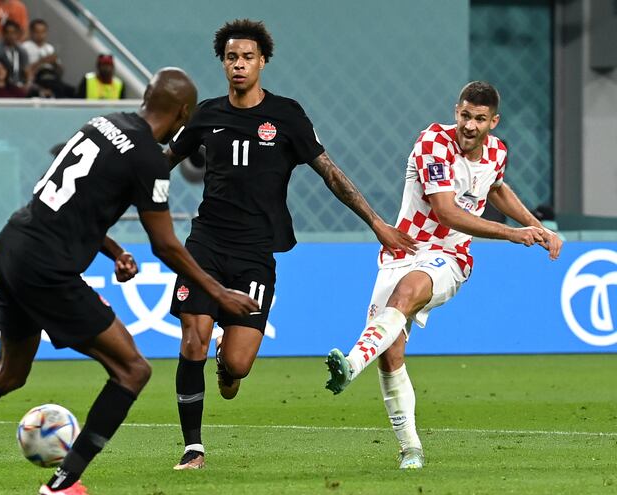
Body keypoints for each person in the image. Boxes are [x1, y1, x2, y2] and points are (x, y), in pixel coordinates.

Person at [0, 67, 259, 495]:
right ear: (184, 113)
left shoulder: (102, 124)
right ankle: (62, 485)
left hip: (13, 243)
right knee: (133, 369)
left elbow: (64, 198)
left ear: (146, 95)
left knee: (8, 373)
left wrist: (111, 252)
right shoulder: (149, 157)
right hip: (45, 266)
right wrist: (218, 292)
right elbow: (166, 244)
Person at [164, 19, 417, 470]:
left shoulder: (286, 116)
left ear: (262, 62)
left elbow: (331, 175)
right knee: (192, 340)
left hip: (255, 254)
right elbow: (162, 162)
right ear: (223, 63)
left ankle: (227, 363)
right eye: (231, 58)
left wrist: (377, 223)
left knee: (237, 366)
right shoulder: (206, 115)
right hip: (204, 245)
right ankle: (193, 448)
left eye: (247, 57)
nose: (238, 65)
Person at [323, 81, 563, 470]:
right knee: (391, 355)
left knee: (406, 294)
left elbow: (497, 188)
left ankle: (350, 364)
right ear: (456, 111)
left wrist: (537, 227)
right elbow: (447, 211)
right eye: (465, 115)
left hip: (450, 257)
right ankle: (411, 449)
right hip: (404, 249)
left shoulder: (498, 152)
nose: (470, 126)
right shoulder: (434, 143)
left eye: (480, 119)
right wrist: (513, 234)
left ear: (493, 122)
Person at [0, 19, 27, 85]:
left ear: (18, 34)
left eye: (13, 33)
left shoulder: (21, 50)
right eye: (8, 32)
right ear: (3, 34)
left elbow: (26, 69)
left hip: (18, 83)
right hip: (0, 84)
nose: (11, 36)